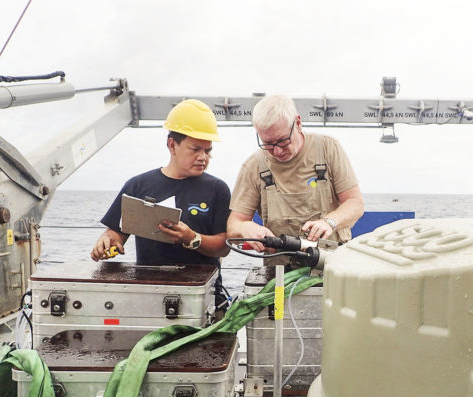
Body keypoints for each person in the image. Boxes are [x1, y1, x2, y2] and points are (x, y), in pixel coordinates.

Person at [90, 99, 230, 268]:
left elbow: (224, 248)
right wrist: (107, 242)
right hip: (150, 287)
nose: (203, 157)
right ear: (172, 145)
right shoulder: (136, 186)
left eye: (208, 151)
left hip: (201, 289)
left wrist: (192, 238)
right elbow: (116, 233)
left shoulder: (217, 189)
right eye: (195, 149)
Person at [226, 94, 364, 256]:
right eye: (268, 144)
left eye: (283, 141)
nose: (277, 151)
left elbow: (355, 203)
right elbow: (233, 226)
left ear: (298, 123)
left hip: (331, 262)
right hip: (279, 268)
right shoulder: (254, 166)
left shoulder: (327, 149)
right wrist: (244, 227)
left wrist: (330, 222)